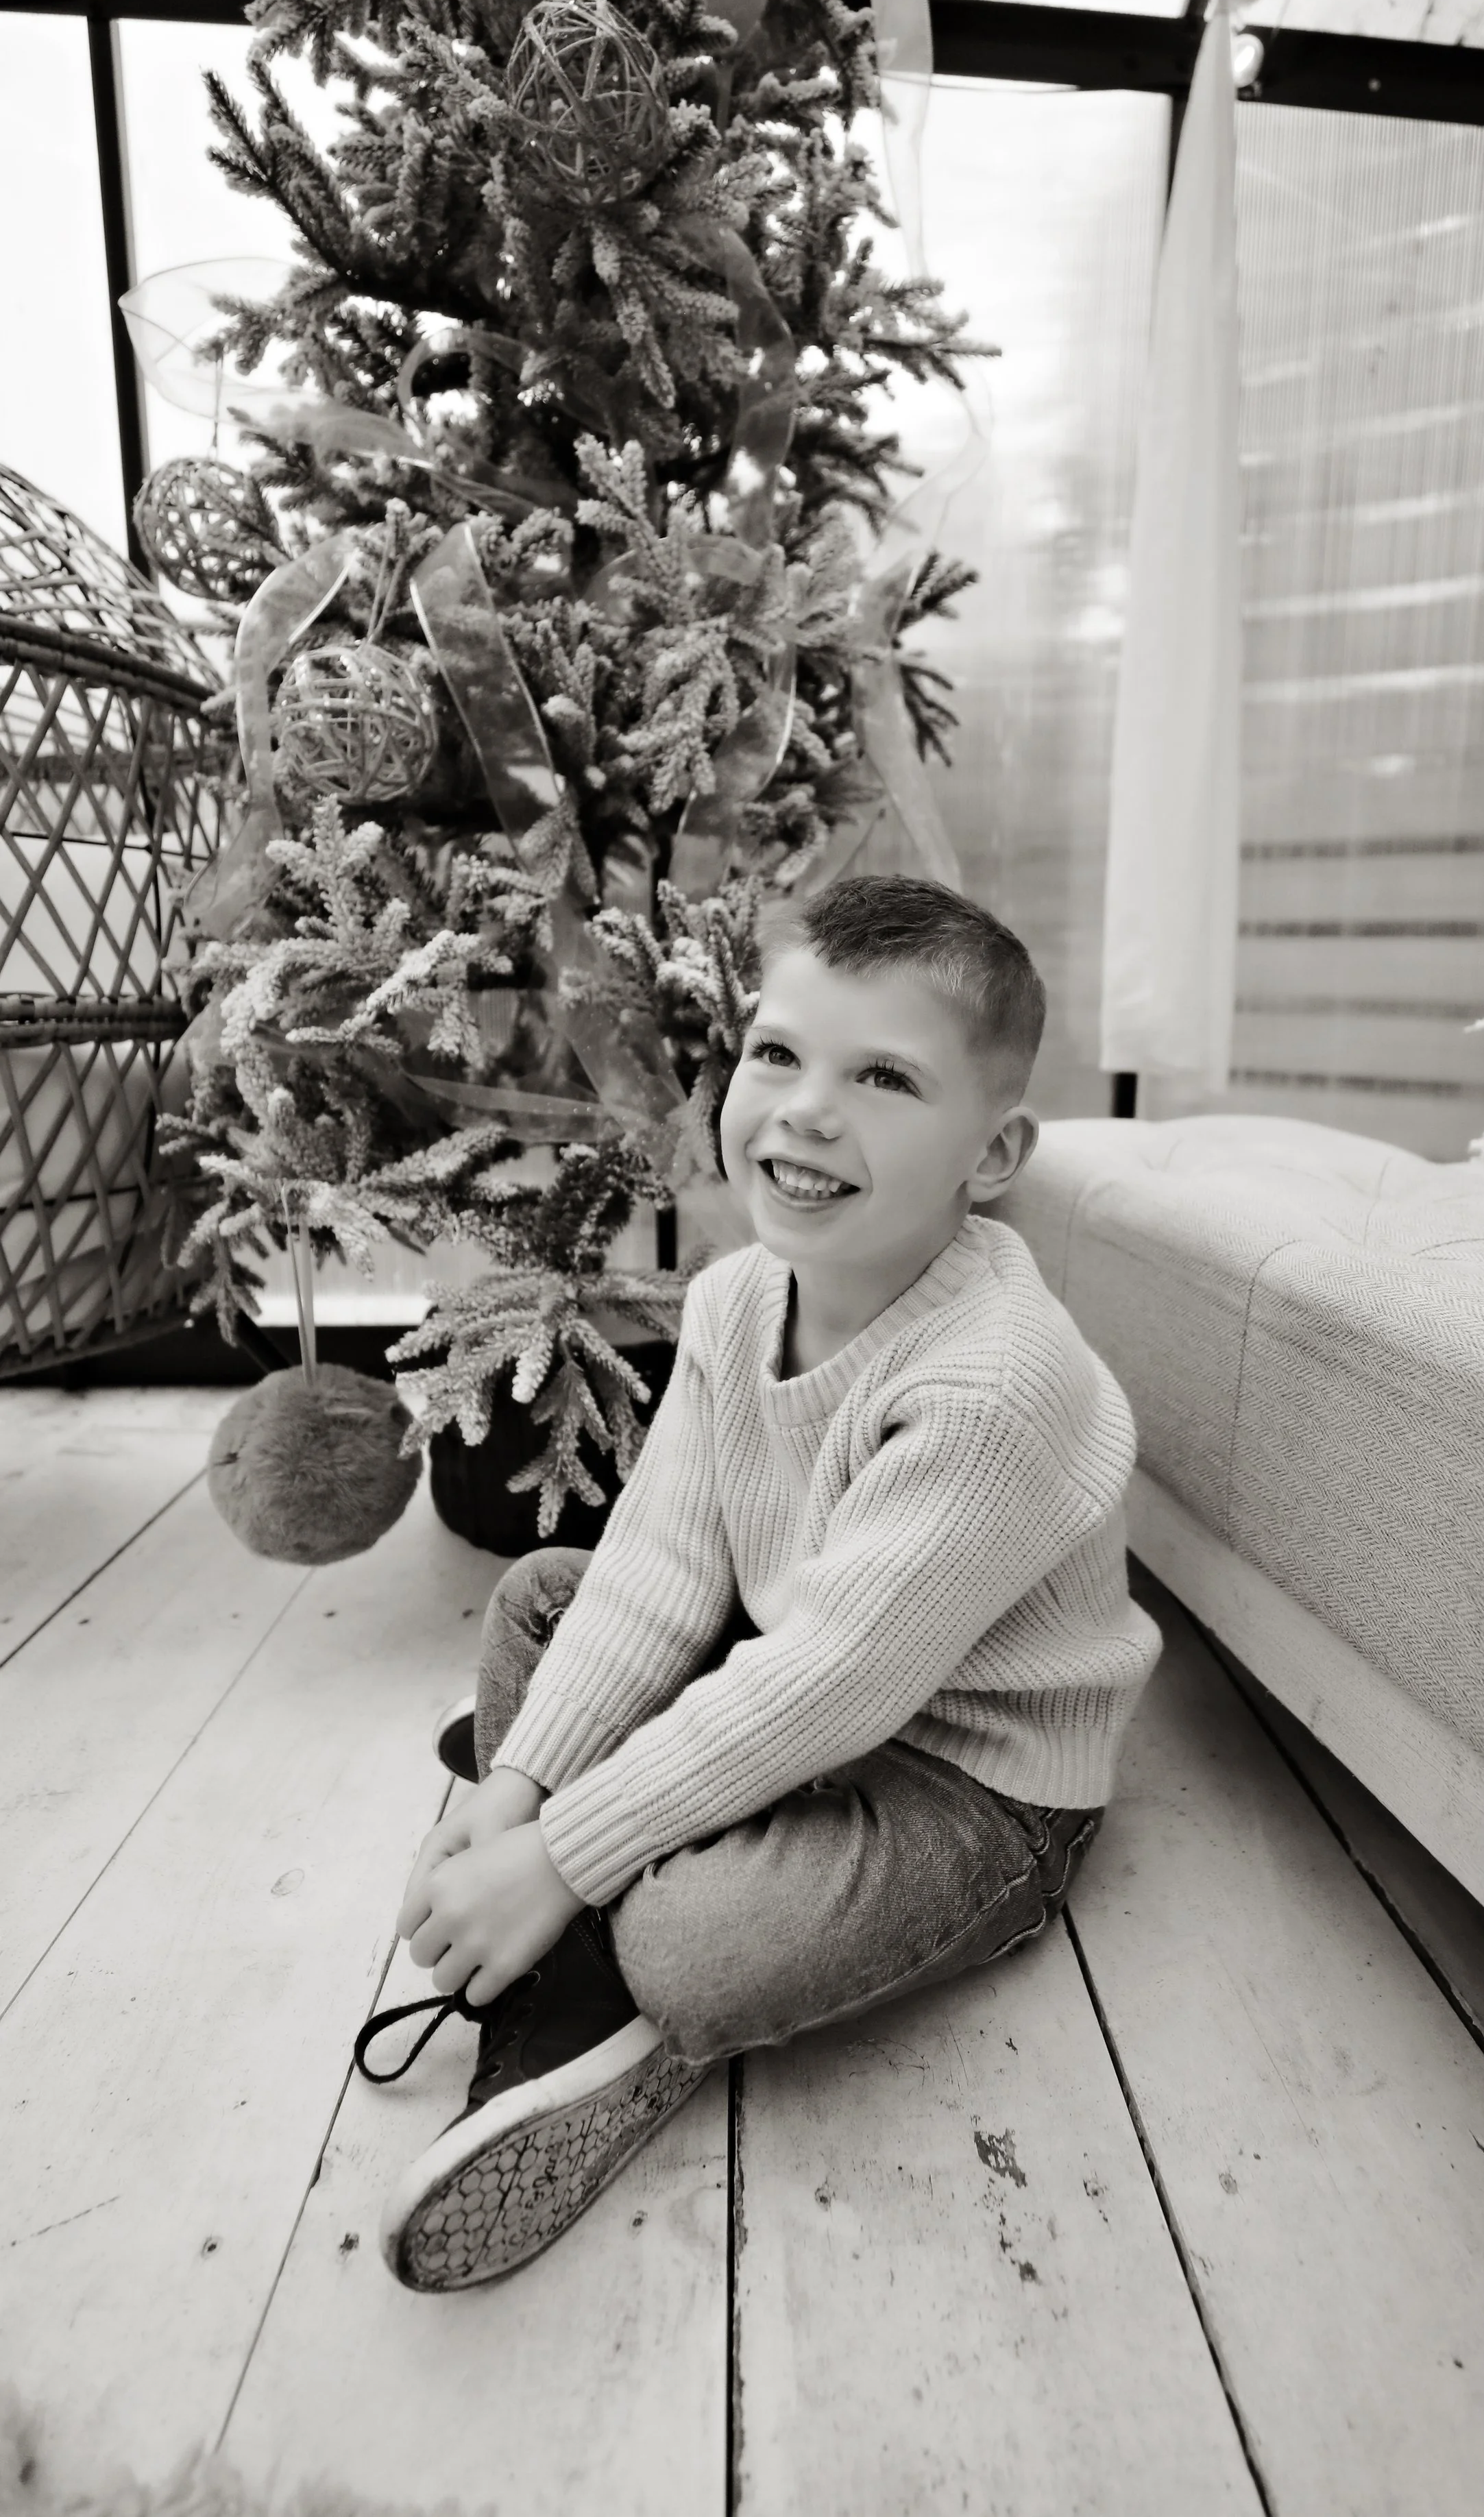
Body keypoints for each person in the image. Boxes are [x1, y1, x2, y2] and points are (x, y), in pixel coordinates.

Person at [357, 875, 1161, 2291]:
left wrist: (557, 1856)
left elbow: (824, 1687)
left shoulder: (992, 1385)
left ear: (993, 1152)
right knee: (547, 1597)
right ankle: (613, 1820)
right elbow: (663, 1562)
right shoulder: (736, 1295)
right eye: (778, 1053)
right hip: (793, 1671)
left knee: (689, 1948)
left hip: (966, 1774)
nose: (802, 1109)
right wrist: (517, 1790)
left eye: (884, 1077)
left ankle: (598, 2015)